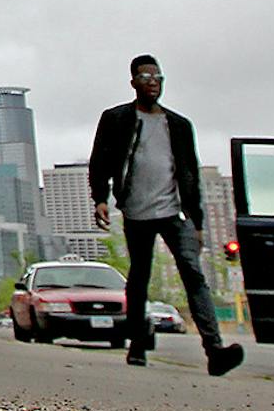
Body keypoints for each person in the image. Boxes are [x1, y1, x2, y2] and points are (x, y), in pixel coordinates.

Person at [88, 54, 244, 375]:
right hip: (135, 212)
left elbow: (190, 174)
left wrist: (198, 222)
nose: (153, 82)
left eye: (158, 77)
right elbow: (100, 161)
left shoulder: (179, 125)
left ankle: (215, 350)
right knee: (140, 277)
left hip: (174, 212)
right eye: (146, 77)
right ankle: (138, 345)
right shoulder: (116, 119)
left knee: (193, 274)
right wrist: (100, 199)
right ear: (133, 82)